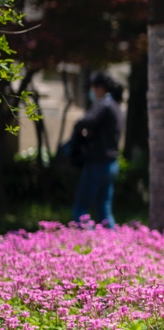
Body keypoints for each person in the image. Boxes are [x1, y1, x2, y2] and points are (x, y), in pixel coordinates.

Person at [70, 71, 124, 227]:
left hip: (97, 163)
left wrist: (80, 135)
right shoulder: (115, 106)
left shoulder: (103, 104)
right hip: (111, 163)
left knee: (80, 209)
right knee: (104, 209)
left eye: (93, 88)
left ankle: (88, 244)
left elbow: (85, 122)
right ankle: (114, 246)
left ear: (99, 88)